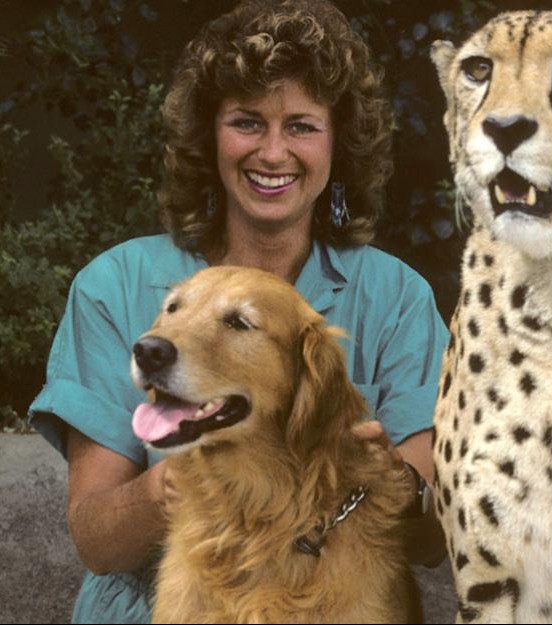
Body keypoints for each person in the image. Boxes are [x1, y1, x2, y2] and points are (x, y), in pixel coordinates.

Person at [27, 1, 450, 622]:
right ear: (209, 137)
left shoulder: (399, 298)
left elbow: (431, 540)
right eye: (247, 122)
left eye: (302, 126)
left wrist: (374, 475)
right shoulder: (113, 284)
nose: (273, 152)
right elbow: (97, 540)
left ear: (339, 143)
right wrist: (179, 481)